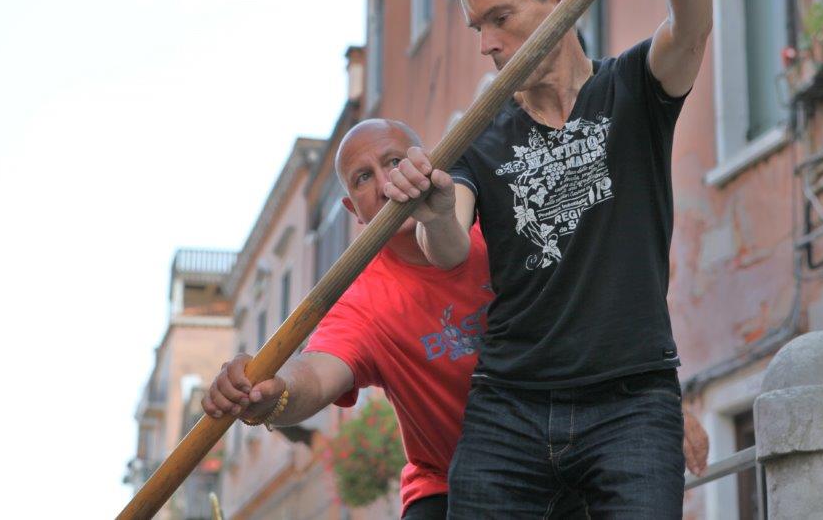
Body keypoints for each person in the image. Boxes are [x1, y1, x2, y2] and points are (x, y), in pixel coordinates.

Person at [383, 0, 712, 518]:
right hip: (510, 407)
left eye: (500, 19)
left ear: (560, 2)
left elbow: (691, 32)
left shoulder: (632, 91)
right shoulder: (479, 133)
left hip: (633, 401)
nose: (487, 44)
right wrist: (429, 209)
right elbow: (447, 245)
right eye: (478, 27)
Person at [203, 118, 708, 518]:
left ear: (425, 163)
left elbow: (596, 309)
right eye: (364, 179)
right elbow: (316, 372)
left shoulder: (509, 224)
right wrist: (271, 394)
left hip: (573, 457)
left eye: (394, 162)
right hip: (446, 484)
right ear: (352, 208)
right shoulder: (364, 298)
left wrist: (654, 408)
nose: (385, 184)